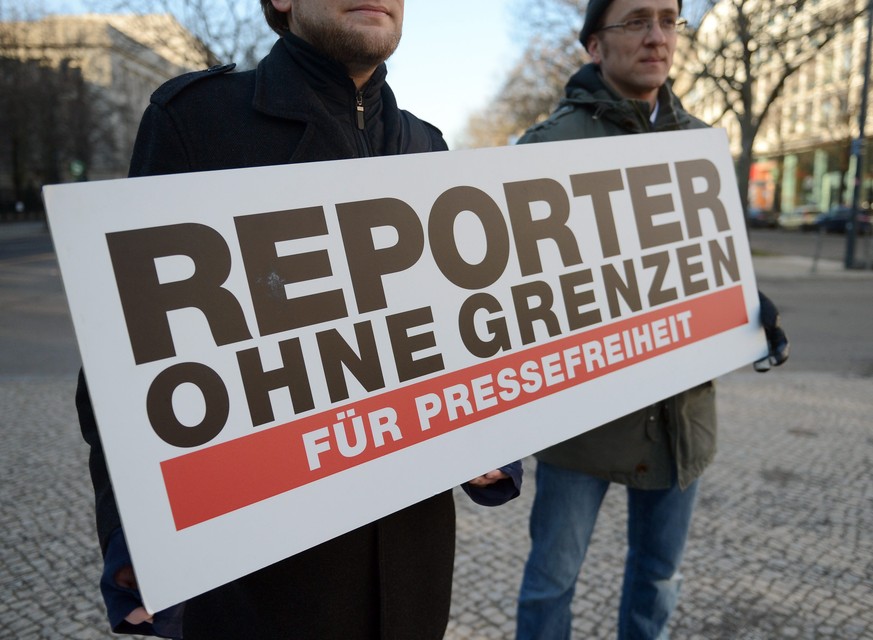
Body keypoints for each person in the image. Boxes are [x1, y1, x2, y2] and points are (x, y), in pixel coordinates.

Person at [76, 2, 522, 638]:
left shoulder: (427, 146)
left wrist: (490, 436)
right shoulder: (196, 122)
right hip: (266, 589)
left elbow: (458, 338)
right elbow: (127, 362)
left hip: (413, 572)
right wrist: (139, 537)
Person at [513, 0, 790, 638]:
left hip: (681, 418)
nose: (657, 36)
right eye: (636, 20)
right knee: (552, 582)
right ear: (593, 45)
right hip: (581, 426)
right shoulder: (548, 148)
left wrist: (750, 304)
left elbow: (713, 263)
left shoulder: (700, 145)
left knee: (659, 579)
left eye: (668, 19)